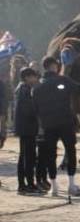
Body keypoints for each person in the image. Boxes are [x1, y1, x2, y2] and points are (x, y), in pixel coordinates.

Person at [32, 55, 80, 197]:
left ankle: (54, 187)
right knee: (70, 151)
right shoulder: (62, 80)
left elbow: (35, 109)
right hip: (65, 123)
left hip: (48, 125)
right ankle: (71, 185)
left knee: (51, 155)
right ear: (54, 66)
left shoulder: (37, 87)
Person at [12, 66, 41, 195]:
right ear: (27, 77)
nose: (35, 78)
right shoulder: (25, 90)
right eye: (33, 76)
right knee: (28, 157)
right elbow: (29, 110)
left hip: (26, 128)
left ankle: (25, 184)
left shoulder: (24, 88)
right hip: (27, 128)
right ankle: (27, 184)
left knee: (25, 156)